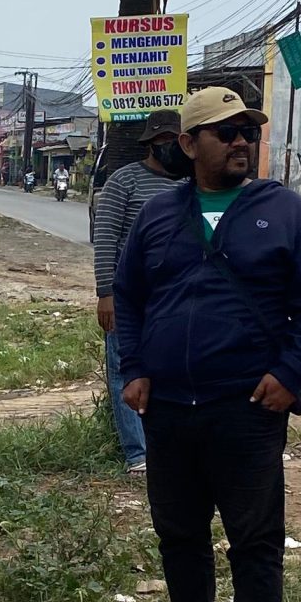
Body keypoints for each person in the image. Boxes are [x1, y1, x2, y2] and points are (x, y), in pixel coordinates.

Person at [112, 87, 301, 602]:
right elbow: (129, 295)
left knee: (254, 538)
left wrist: (291, 373)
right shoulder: (159, 214)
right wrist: (134, 368)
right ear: (188, 144)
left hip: (246, 408)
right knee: (178, 531)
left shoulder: (285, 212)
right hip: (169, 407)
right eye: (226, 132)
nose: (241, 142)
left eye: (248, 132)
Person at [90, 110, 182, 474]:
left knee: (168, 371)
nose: (169, 147)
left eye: (174, 140)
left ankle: (166, 446)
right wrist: (106, 293)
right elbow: (106, 239)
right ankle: (137, 453)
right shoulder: (124, 181)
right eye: (163, 141)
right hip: (128, 297)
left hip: (173, 299)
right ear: (150, 144)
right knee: (124, 370)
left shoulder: (188, 184)